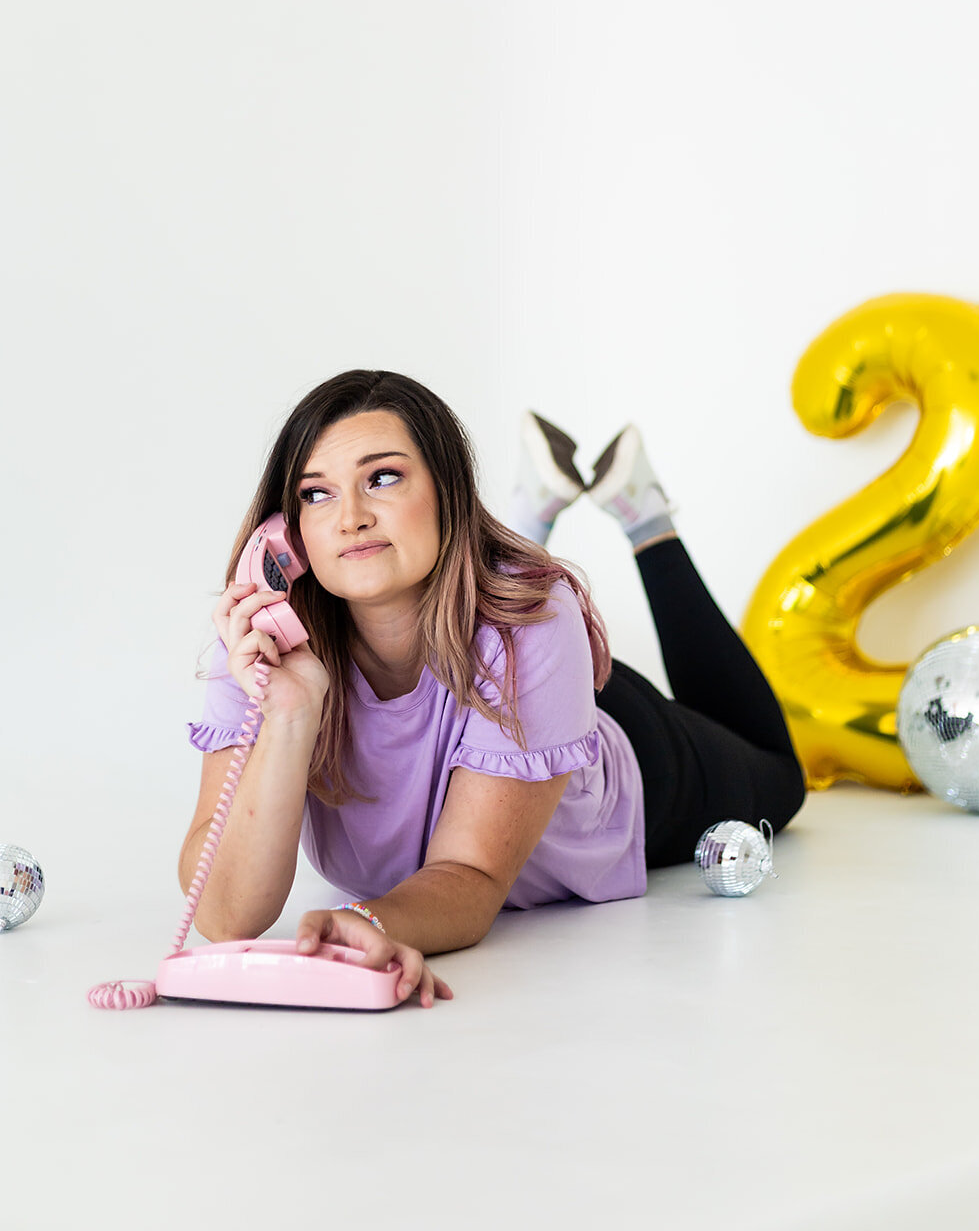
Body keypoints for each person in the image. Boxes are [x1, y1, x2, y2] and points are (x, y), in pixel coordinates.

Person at [180, 371, 805, 1010]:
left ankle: (645, 515)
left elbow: (471, 878)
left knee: (782, 780)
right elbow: (226, 916)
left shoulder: (537, 617)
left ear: (448, 491)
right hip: (506, 685)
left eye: (384, 478)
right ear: (288, 535)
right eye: (316, 493)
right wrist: (291, 713)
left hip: (596, 747)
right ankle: (532, 514)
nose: (351, 518)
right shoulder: (263, 640)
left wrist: (370, 924)